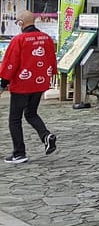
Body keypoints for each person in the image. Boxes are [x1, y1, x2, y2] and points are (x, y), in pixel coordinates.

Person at [1, 10, 57, 163]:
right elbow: (52, 59)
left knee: (15, 119)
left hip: (21, 84)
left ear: (21, 23)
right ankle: (46, 136)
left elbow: (11, 63)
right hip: (39, 83)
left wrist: (3, 82)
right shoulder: (46, 38)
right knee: (31, 113)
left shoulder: (19, 40)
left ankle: (19, 153)